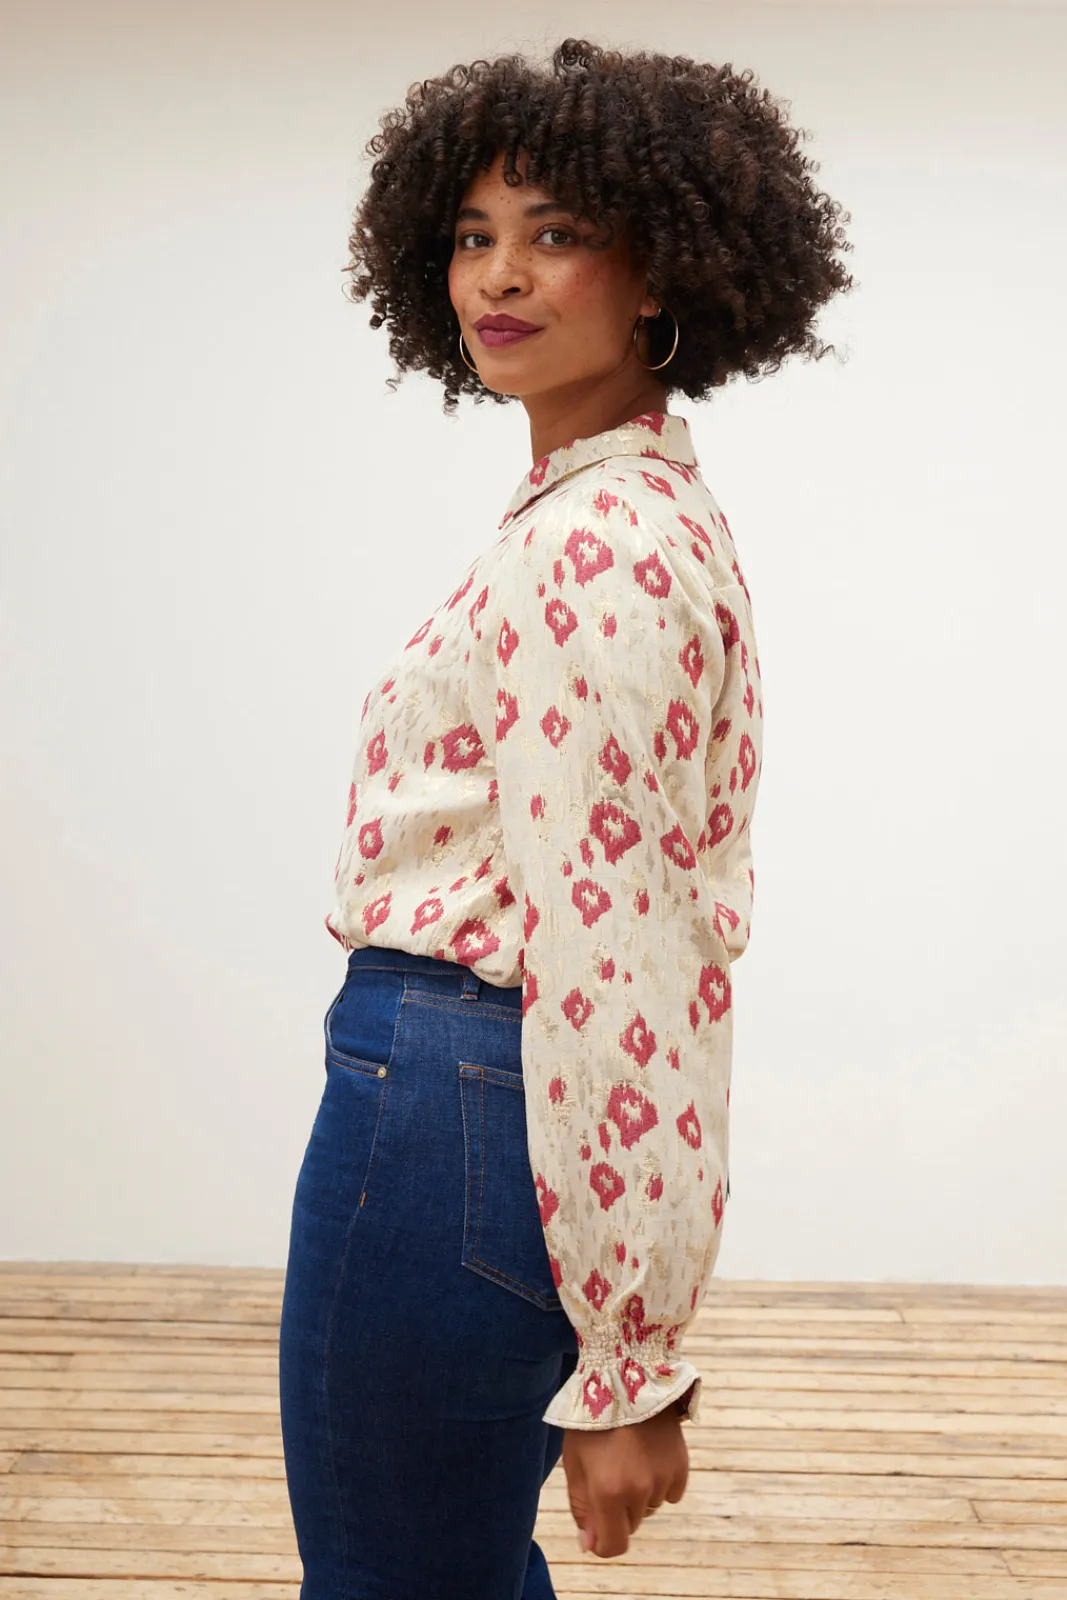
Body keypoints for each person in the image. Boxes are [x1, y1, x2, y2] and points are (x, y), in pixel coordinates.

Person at [277, 35, 853, 1600]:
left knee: (398, 1580)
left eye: (556, 232)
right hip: (475, 1102)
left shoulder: (597, 546)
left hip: (455, 1101)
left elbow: (624, 962)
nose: (499, 275)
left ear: (662, 265)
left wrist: (631, 1359)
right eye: (472, 235)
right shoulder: (625, 513)